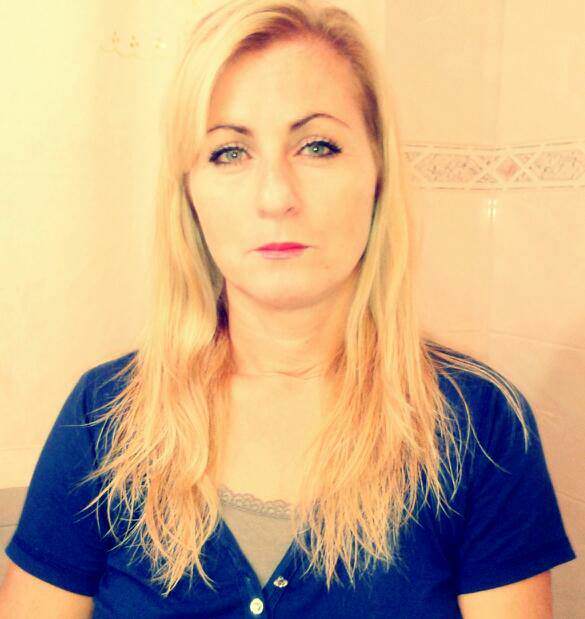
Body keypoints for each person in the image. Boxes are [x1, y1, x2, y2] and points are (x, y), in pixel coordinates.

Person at [0, 0, 577, 617]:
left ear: (378, 175)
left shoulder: (480, 427)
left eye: (318, 146)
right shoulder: (105, 416)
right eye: (229, 152)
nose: (276, 196)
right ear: (189, 193)